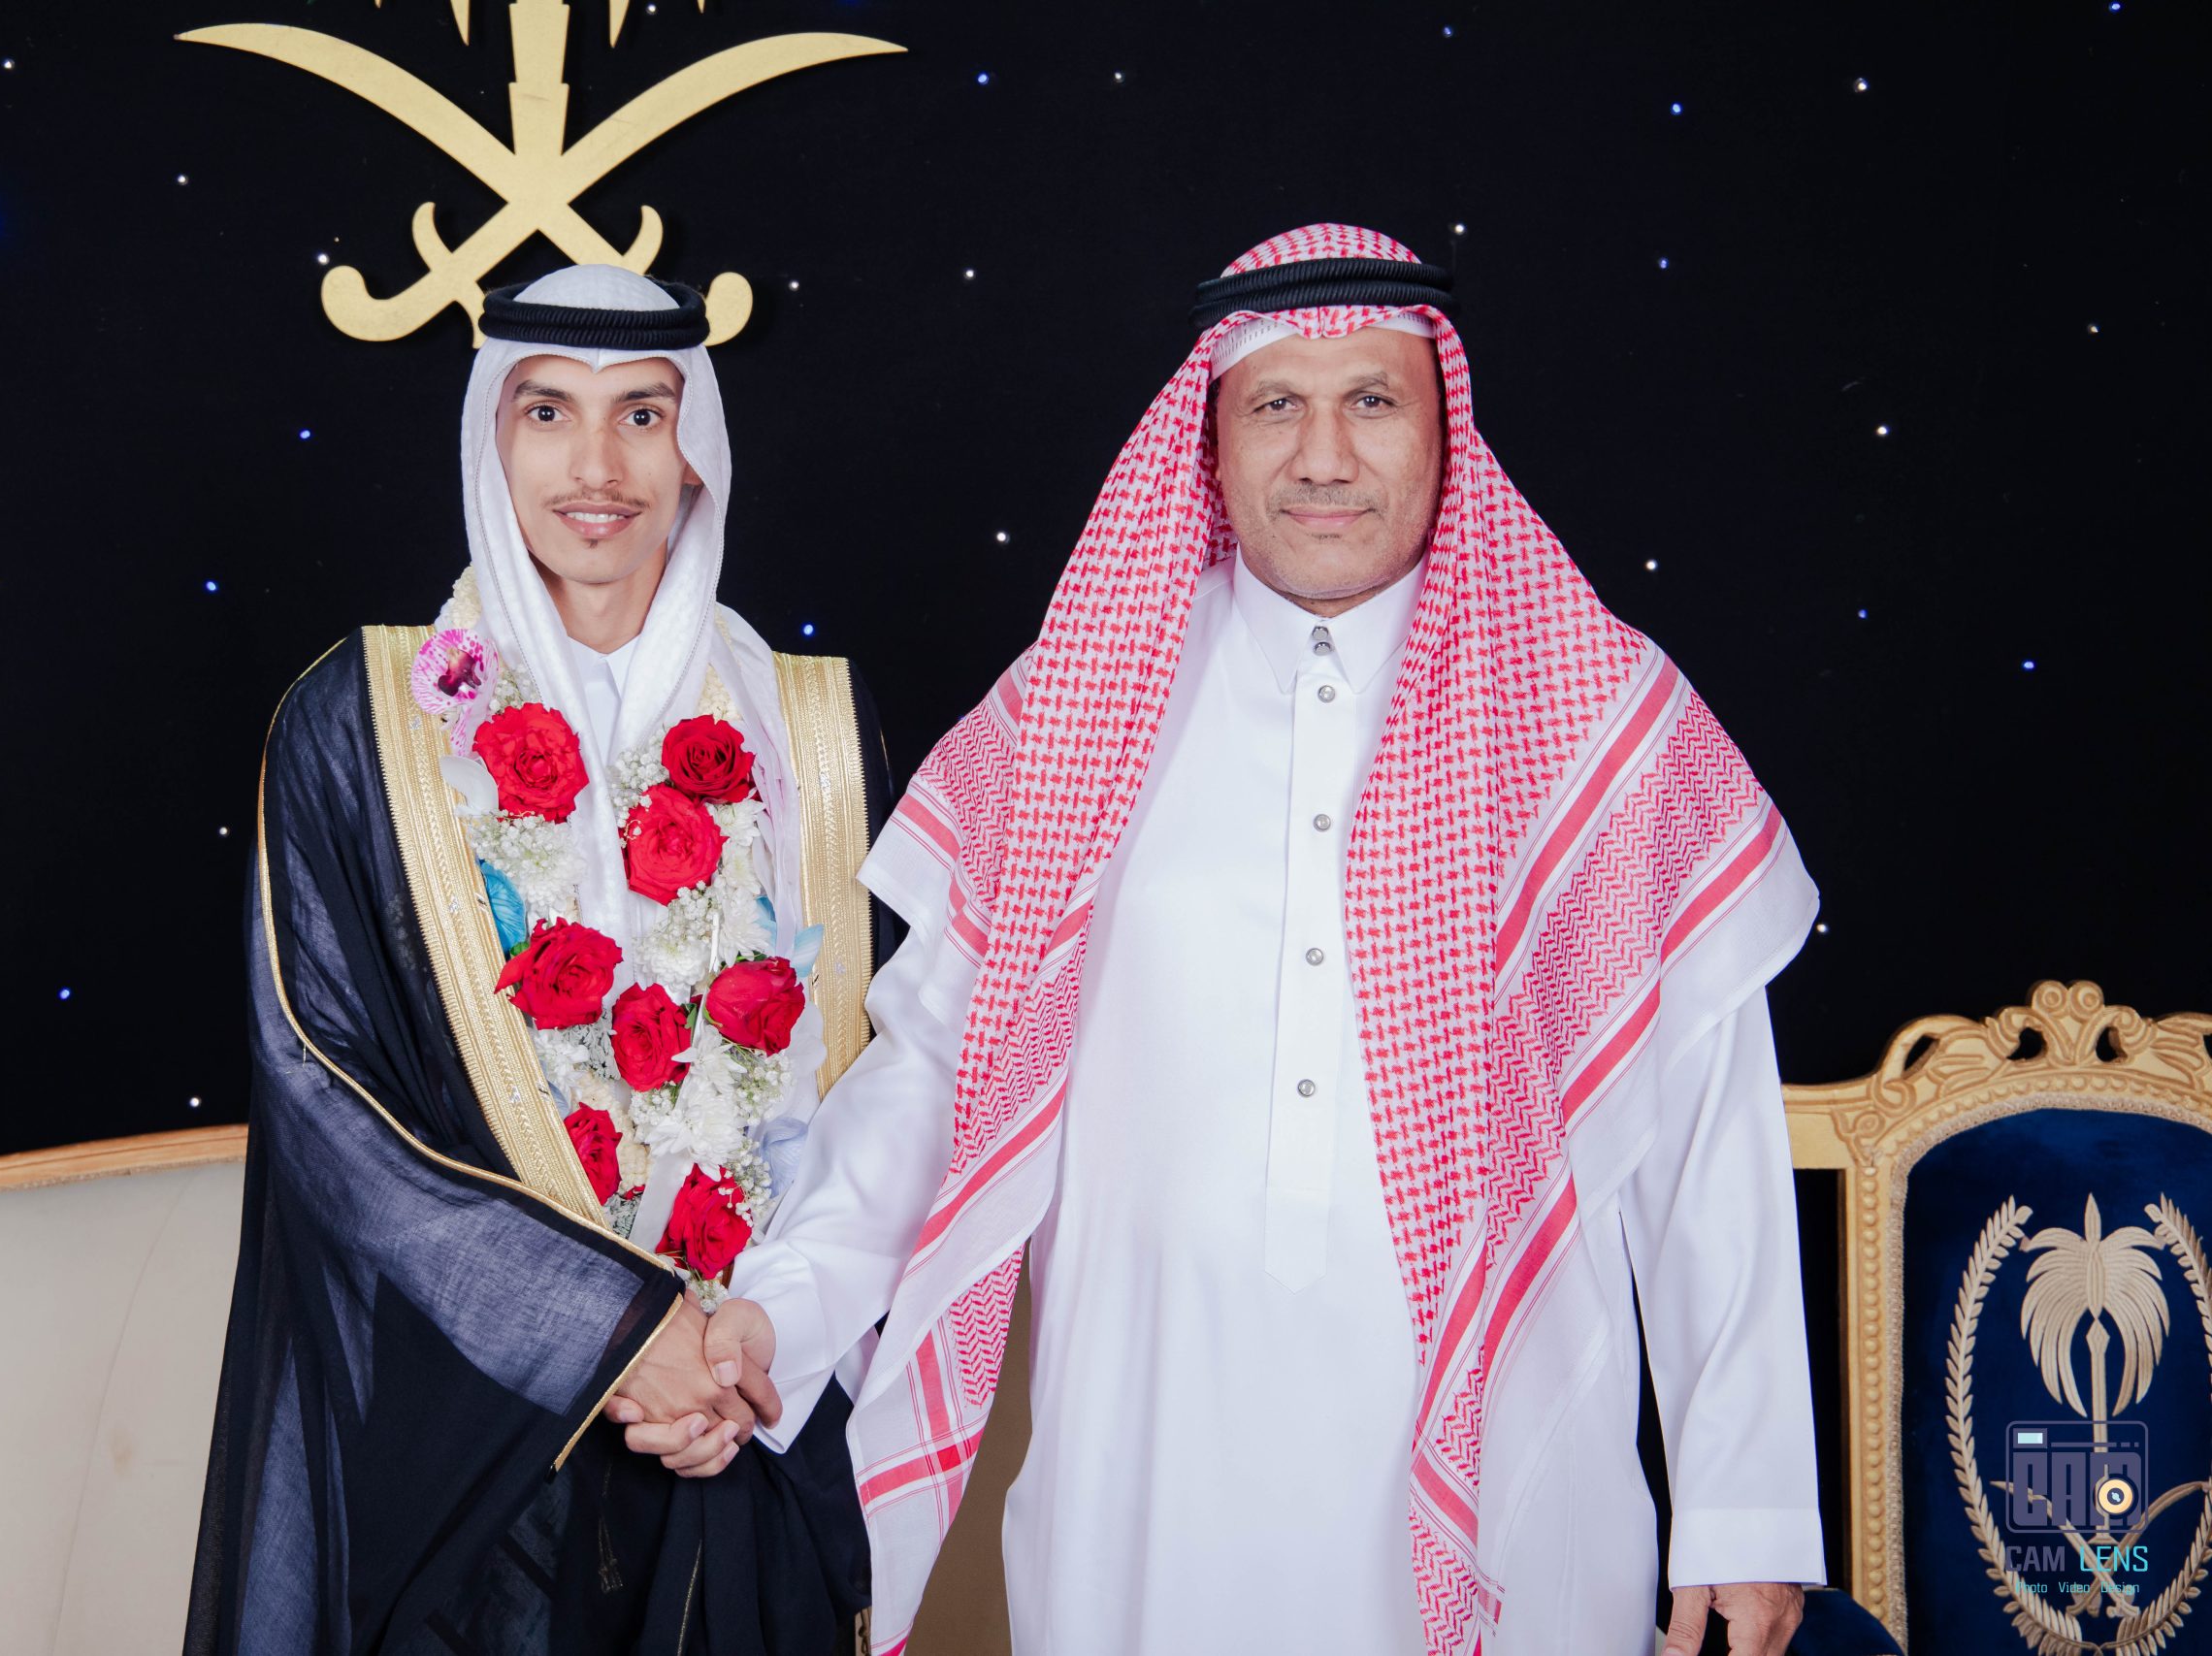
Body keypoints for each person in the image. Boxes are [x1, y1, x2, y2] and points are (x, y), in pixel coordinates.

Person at [674, 225, 1824, 1656]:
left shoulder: (1601, 717)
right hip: (1144, 1471)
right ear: (1210, 446)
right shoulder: (1078, 705)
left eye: (1373, 401)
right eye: (1277, 404)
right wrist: (779, 1315)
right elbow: (932, 1079)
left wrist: (1746, 1509)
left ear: (1446, 432)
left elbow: (1710, 1140)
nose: (1324, 456)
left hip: (1518, 1476)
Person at [184, 264, 891, 1656]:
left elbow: (880, 1073)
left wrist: (761, 1333)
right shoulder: (360, 722)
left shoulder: (808, 724)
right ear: (487, 440)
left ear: (699, 449)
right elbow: (323, 1091)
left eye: (644, 415)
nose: (598, 469)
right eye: (548, 411)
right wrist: (608, 1333)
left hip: (742, 1409)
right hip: (474, 1437)